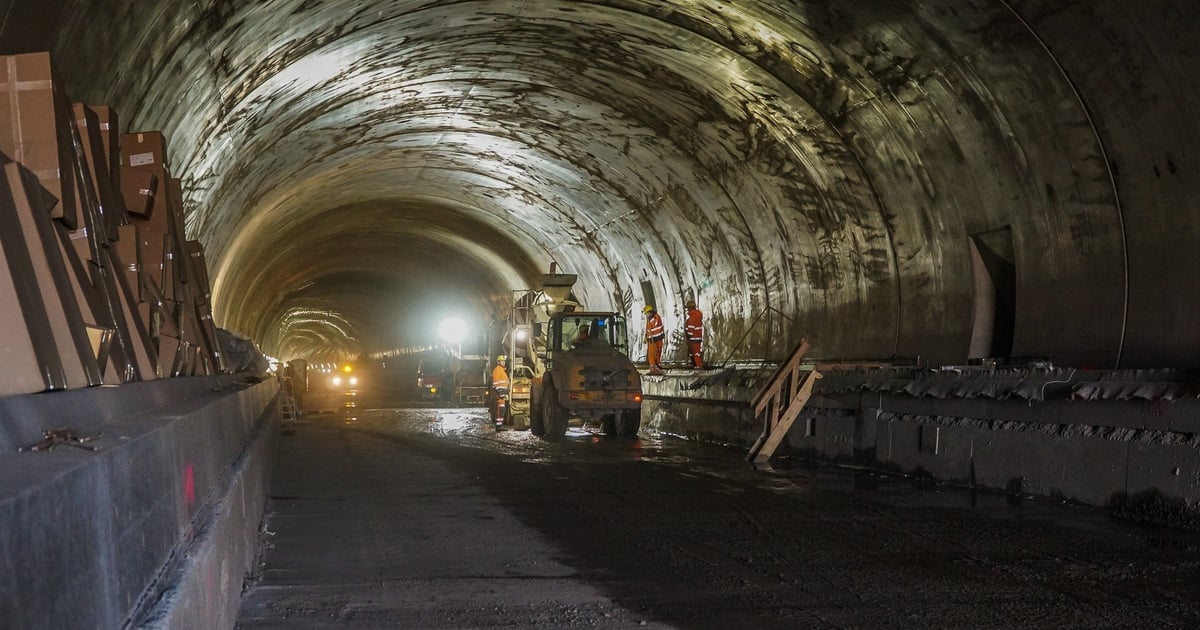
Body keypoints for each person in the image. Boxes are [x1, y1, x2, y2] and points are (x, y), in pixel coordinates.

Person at [643, 305, 665, 375]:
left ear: (650, 312)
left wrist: (649, 338)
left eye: (646, 313)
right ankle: (656, 366)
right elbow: (650, 330)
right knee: (657, 352)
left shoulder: (653, 320)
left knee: (652, 354)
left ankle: (654, 368)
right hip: (657, 339)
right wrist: (646, 336)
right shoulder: (655, 318)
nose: (646, 315)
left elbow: (652, 330)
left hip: (654, 340)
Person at [685, 299, 704, 369]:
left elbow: (690, 329)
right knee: (694, 353)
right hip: (697, 337)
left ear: (690, 308)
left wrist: (688, 336)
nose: (687, 310)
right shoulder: (697, 315)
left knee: (695, 353)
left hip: (693, 338)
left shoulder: (692, 317)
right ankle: (695, 364)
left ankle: (699, 366)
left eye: (688, 308)